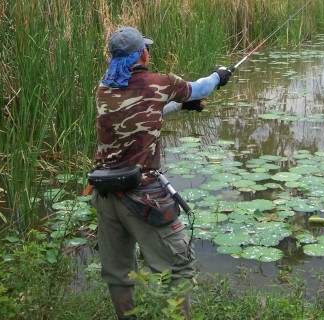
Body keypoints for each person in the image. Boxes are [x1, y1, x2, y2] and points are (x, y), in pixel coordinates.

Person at [91, 26, 231, 320]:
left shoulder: (104, 89)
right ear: (141, 54)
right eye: (146, 48)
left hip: (104, 192)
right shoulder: (160, 81)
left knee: (119, 272)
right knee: (179, 265)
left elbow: (143, 110)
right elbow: (201, 88)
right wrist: (220, 75)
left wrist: (181, 107)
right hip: (141, 196)